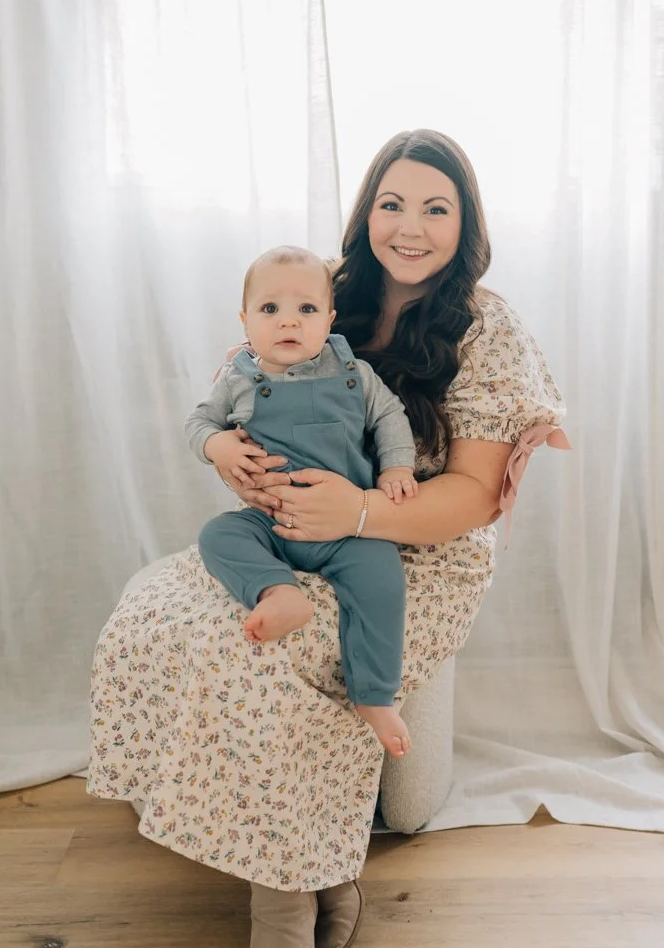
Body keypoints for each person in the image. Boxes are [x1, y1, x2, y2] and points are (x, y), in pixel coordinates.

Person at [87, 129, 567, 948]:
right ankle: (278, 843)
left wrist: (359, 514)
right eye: (392, 204)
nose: (409, 227)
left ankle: (298, 883)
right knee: (162, 614)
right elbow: (241, 389)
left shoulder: (486, 327)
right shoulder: (323, 288)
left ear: (466, 224)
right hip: (290, 529)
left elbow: (474, 495)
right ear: (366, 213)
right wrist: (229, 456)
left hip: (416, 550)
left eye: (435, 208)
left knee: (276, 662)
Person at [187, 245, 418, 757]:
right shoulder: (238, 378)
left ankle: (375, 695)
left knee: (383, 578)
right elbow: (198, 423)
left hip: (347, 532)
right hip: (272, 523)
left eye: (306, 310)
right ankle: (277, 592)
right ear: (245, 321)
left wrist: (398, 466)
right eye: (270, 310)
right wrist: (218, 444)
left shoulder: (354, 372)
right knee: (219, 534)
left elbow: (390, 418)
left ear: (329, 319)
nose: (288, 322)